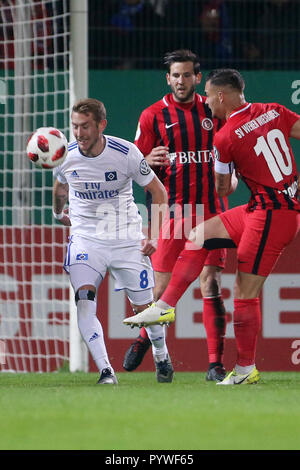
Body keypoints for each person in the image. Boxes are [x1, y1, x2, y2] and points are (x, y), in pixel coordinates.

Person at [124, 68, 300, 385]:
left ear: (221, 95)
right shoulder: (274, 110)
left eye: (210, 97)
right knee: (199, 235)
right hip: (261, 205)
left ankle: (245, 369)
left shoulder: (225, 136)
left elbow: (221, 189)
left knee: (245, 295)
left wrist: (232, 174)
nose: (208, 105)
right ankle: (164, 307)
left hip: (273, 215)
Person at [123, 49, 229, 382]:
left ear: (198, 78)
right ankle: (146, 340)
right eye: (175, 75)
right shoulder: (152, 115)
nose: (180, 81)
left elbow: (231, 151)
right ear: (167, 79)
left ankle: (214, 365)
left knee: (210, 283)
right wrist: (148, 159)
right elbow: (134, 165)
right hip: (174, 212)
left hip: (212, 211)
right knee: (160, 292)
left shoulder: (213, 110)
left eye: (187, 75)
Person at [52, 98, 173, 384]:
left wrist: (154, 236)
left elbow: (159, 193)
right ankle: (106, 371)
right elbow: (60, 185)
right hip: (86, 238)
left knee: (146, 310)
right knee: (84, 297)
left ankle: (161, 354)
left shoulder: (126, 153)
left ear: (101, 125)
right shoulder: (64, 155)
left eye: (85, 127)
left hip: (126, 239)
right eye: (75, 127)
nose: (79, 133)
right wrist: (58, 213)